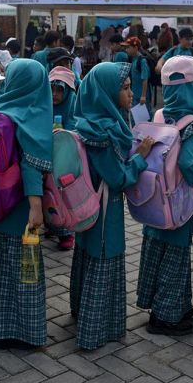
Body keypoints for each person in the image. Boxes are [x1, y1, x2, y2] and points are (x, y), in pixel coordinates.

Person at [70, 62, 155, 349]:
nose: (131, 94)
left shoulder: (88, 119)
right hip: (106, 210)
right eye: (126, 88)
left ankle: (81, 315)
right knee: (104, 260)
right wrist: (141, 156)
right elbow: (118, 178)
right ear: (107, 92)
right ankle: (95, 331)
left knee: (88, 257)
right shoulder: (103, 132)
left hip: (88, 205)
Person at [0, 59, 53, 349]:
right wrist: (36, 206)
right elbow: (31, 165)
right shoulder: (29, 115)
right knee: (23, 271)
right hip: (17, 209)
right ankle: (23, 331)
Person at [137, 56, 193, 335]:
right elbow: (187, 162)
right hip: (178, 202)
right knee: (176, 256)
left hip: (154, 199)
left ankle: (166, 304)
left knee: (156, 252)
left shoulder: (160, 114)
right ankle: (167, 317)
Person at [48, 66, 78, 250]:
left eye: (60, 89)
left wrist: (64, 132)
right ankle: (52, 223)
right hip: (48, 152)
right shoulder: (44, 103)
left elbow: (76, 127)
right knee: (49, 193)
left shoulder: (73, 103)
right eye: (51, 89)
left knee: (64, 193)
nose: (55, 94)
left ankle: (67, 232)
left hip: (66, 154)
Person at [121, 37, 151, 109]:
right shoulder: (133, 59)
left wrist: (143, 96)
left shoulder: (142, 61)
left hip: (141, 96)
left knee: (143, 119)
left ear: (135, 47)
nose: (126, 50)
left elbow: (145, 79)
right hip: (134, 95)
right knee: (136, 118)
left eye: (128, 47)